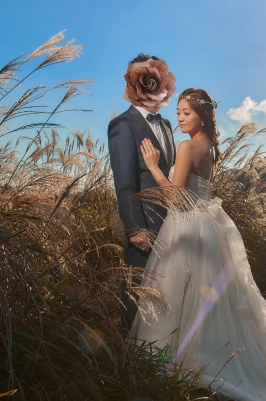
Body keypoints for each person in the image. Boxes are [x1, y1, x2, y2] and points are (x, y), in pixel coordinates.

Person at [130, 88, 266, 400]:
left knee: (175, 300)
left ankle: (168, 364)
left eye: (187, 113)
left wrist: (153, 167)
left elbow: (177, 196)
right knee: (207, 305)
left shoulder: (188, 146)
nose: (180, 119)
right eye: (178, 113)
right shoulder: (212, 149)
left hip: (187, 226)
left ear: (202, 116)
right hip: (209, 228)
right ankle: (203, 360)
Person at [107, 53, 177, 329]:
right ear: (135, 85)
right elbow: (124, 181)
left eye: (157, 80)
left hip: (171, 224)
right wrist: (135, 228)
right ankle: (127, 358)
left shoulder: (168, 125)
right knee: (136, 291)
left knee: (162, 296)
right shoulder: (122, 125)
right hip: (144, 227)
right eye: (146, 80)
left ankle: (156, 358)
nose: (153, 85)